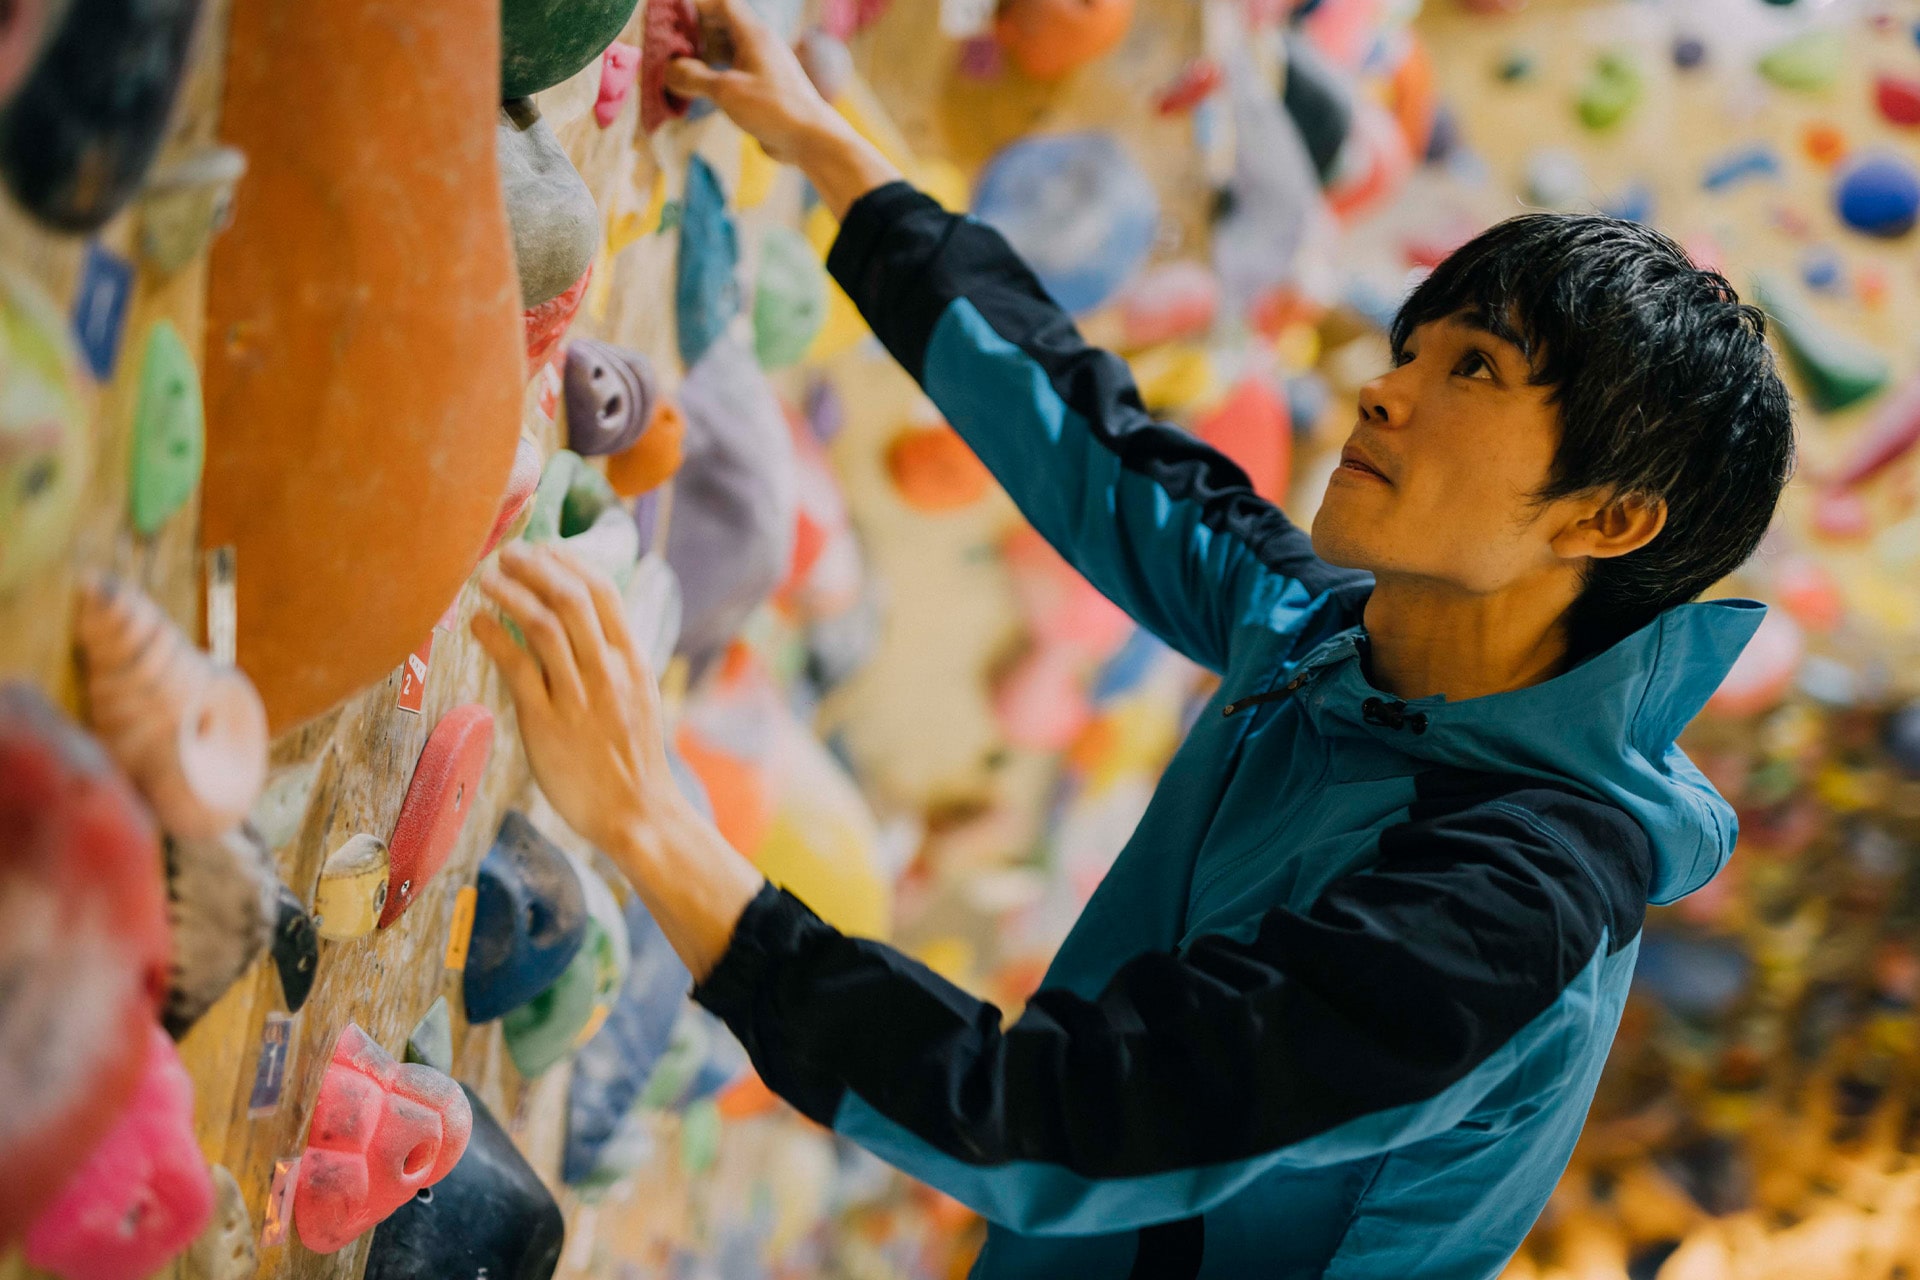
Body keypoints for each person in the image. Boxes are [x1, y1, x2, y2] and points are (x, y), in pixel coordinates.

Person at [472, 3, 1796, 1276]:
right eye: (1413, 349)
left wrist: (648, 819)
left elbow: (1053, 1118)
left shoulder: (1508, 914)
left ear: (1608, 518)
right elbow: (1102, 448)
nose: (1382, 390)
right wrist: (822, 140)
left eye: (1474, 371)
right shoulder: (1343, 648)